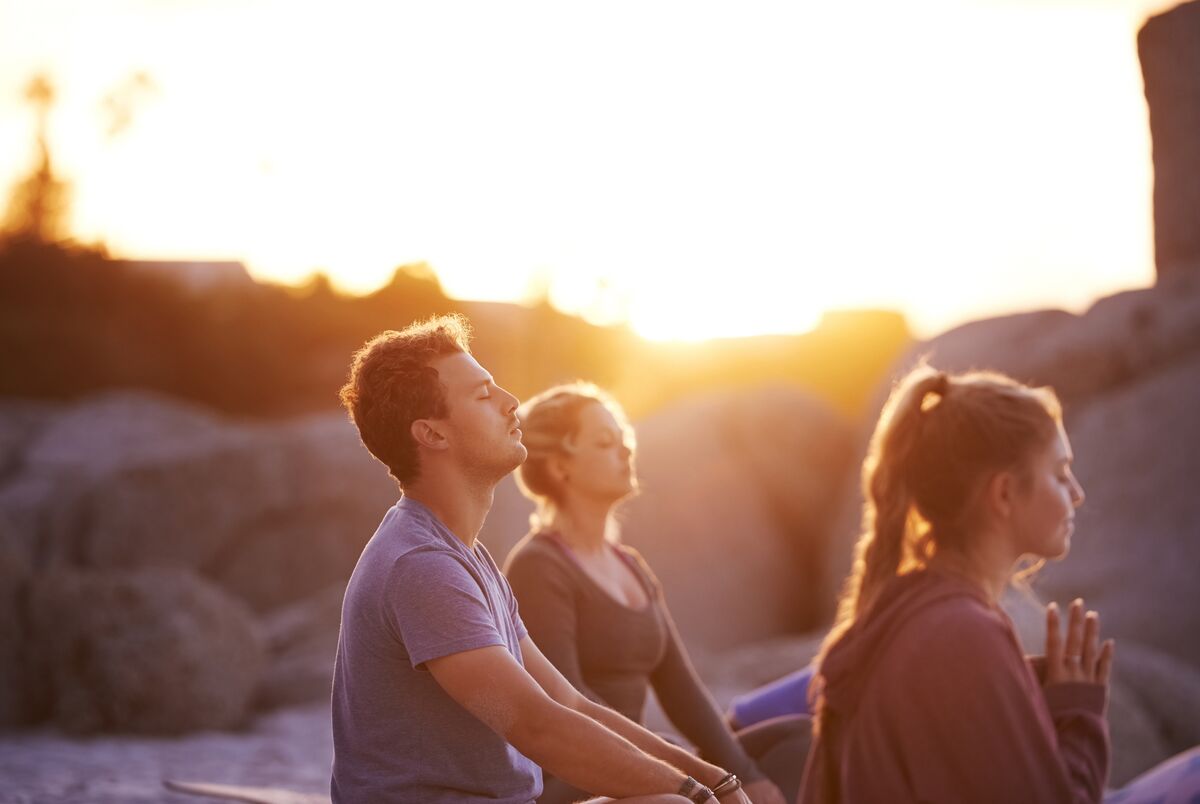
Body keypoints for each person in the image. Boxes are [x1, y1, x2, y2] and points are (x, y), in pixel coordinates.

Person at [331, 316, 752, 804]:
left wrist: (714, 780)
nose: (512, 402)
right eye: (484, 395)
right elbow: (536, 725)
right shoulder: (423, 565)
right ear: (432, 434)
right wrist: (696, 795)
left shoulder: (467, 556)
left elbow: (569, 702)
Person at [503, 383, 808, 804]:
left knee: (799, 740)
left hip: (646, 753)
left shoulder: (631, 565)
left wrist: (747, 776)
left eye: (624, 438)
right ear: (560, 467)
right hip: (578, 773)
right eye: (605, 442)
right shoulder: (539, 566)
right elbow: (567, 702)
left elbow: (685, 695)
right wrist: (675, 763)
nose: (626, 451)